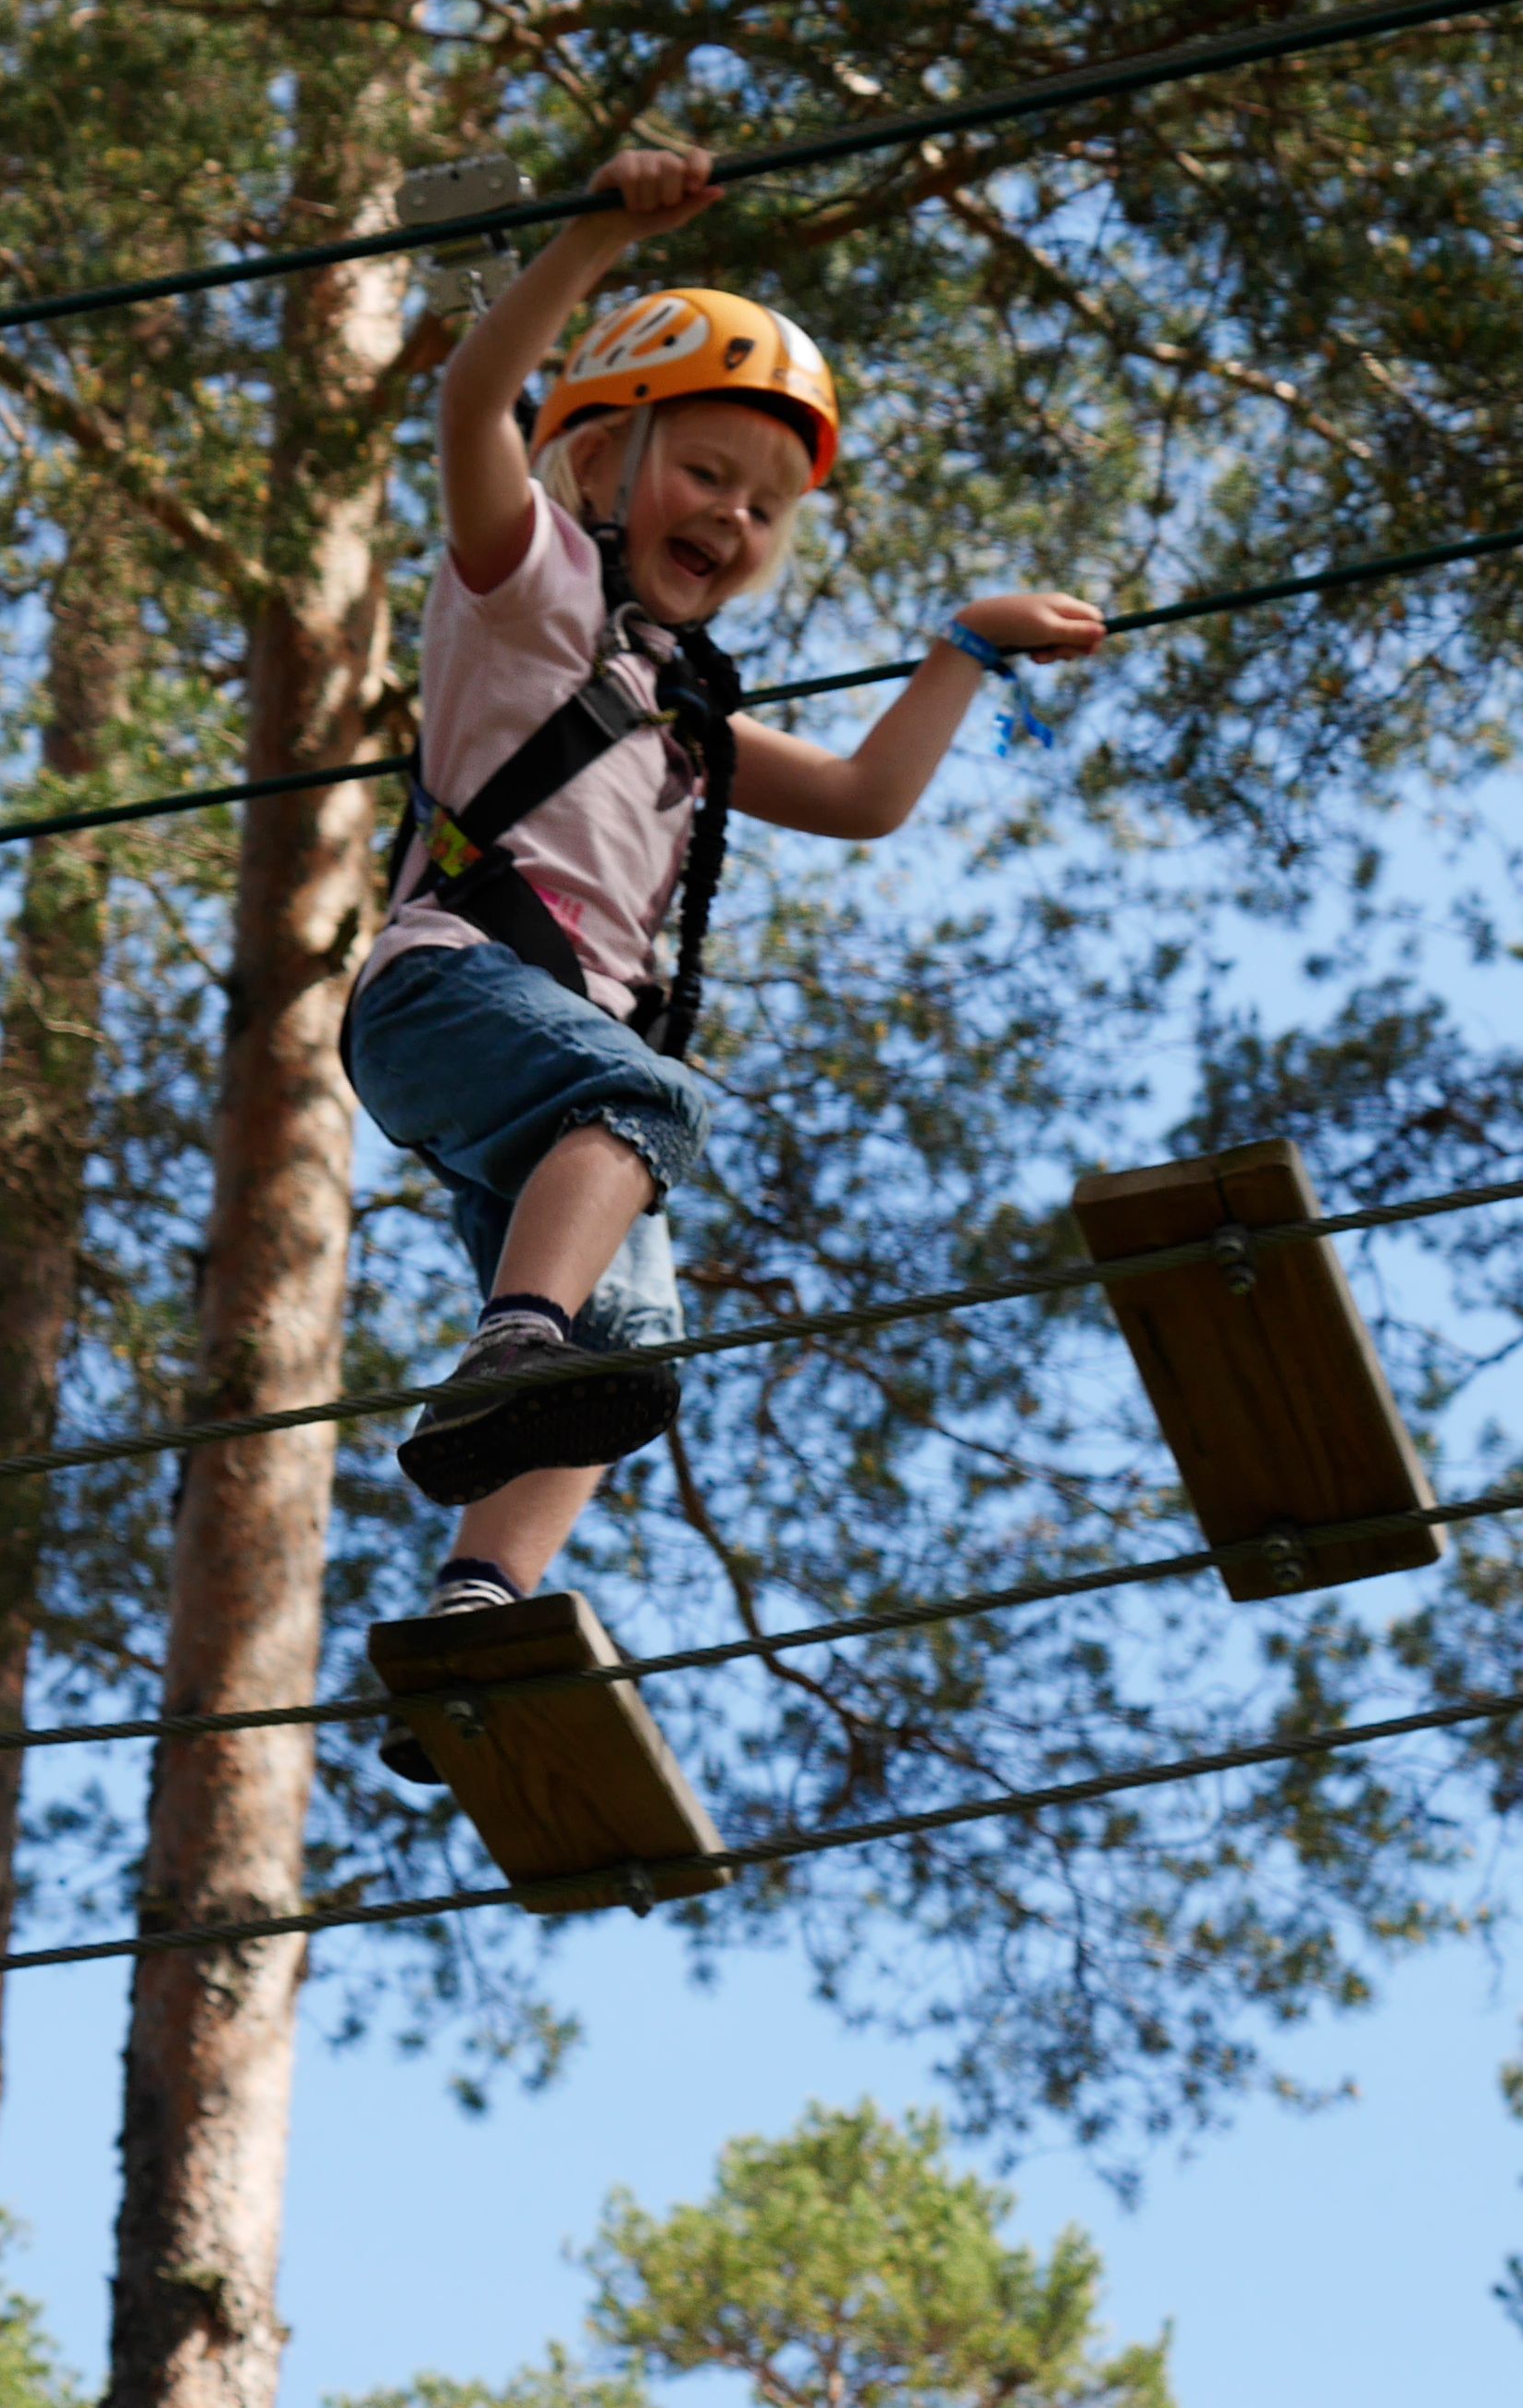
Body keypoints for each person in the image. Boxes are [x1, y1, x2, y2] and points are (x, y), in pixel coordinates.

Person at [345, 144, 1106, 1771]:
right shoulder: (529, 588)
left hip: (537, 1071)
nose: (736, 518)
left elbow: (863, 799)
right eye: (704, 471)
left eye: (766, 508)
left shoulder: (687, 711)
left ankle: (476, 1603)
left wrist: (962, 650)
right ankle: (513, 1340)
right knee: (642, 1107)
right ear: (596, 458)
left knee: (634, 1349)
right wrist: (593, 240)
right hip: (449, 991)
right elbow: (475, 405)